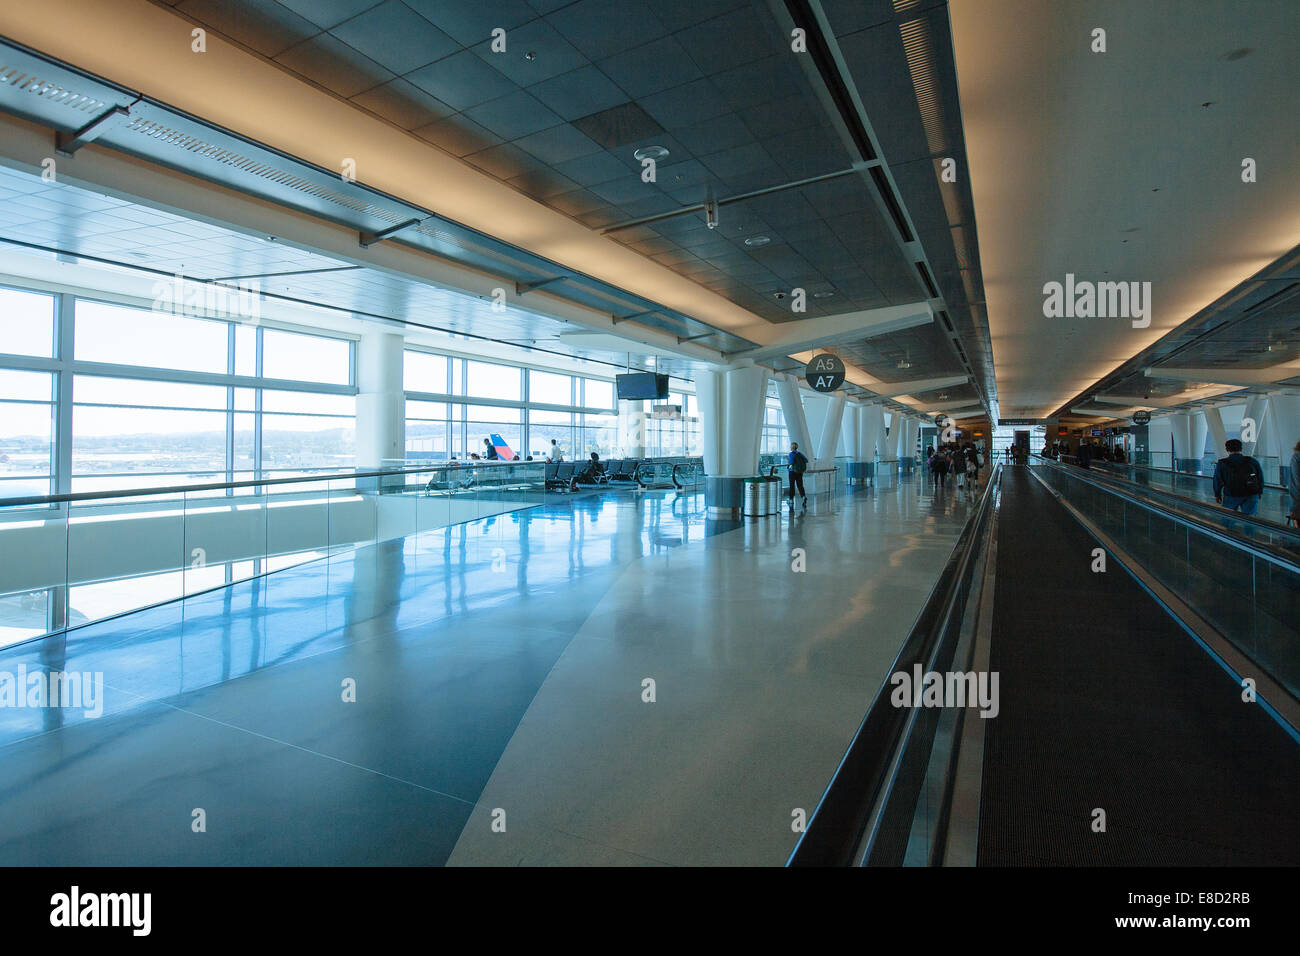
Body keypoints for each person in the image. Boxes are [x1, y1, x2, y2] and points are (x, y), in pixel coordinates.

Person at [1213, 438, 1265, 516]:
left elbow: (1217, 480)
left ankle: (1228, 528)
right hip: (1251, 494)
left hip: (1231, 494)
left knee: (1228, 519)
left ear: (1227, 449)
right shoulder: (1252, 461)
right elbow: (1260, 477)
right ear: (1241, 448)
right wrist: (1260, 491)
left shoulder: (1222, 463)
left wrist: (1217, 494)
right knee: (1250, 520)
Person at [787, 442, 808, 510]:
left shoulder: (791, 454)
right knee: (800, 485)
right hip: (799, 472)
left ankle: (791, 500)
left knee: (792, 486)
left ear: (792, 447)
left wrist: (789, 468)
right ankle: (803, 496)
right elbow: (806, 460)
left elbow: (791, 463)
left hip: (792, 472)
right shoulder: (799, 453)